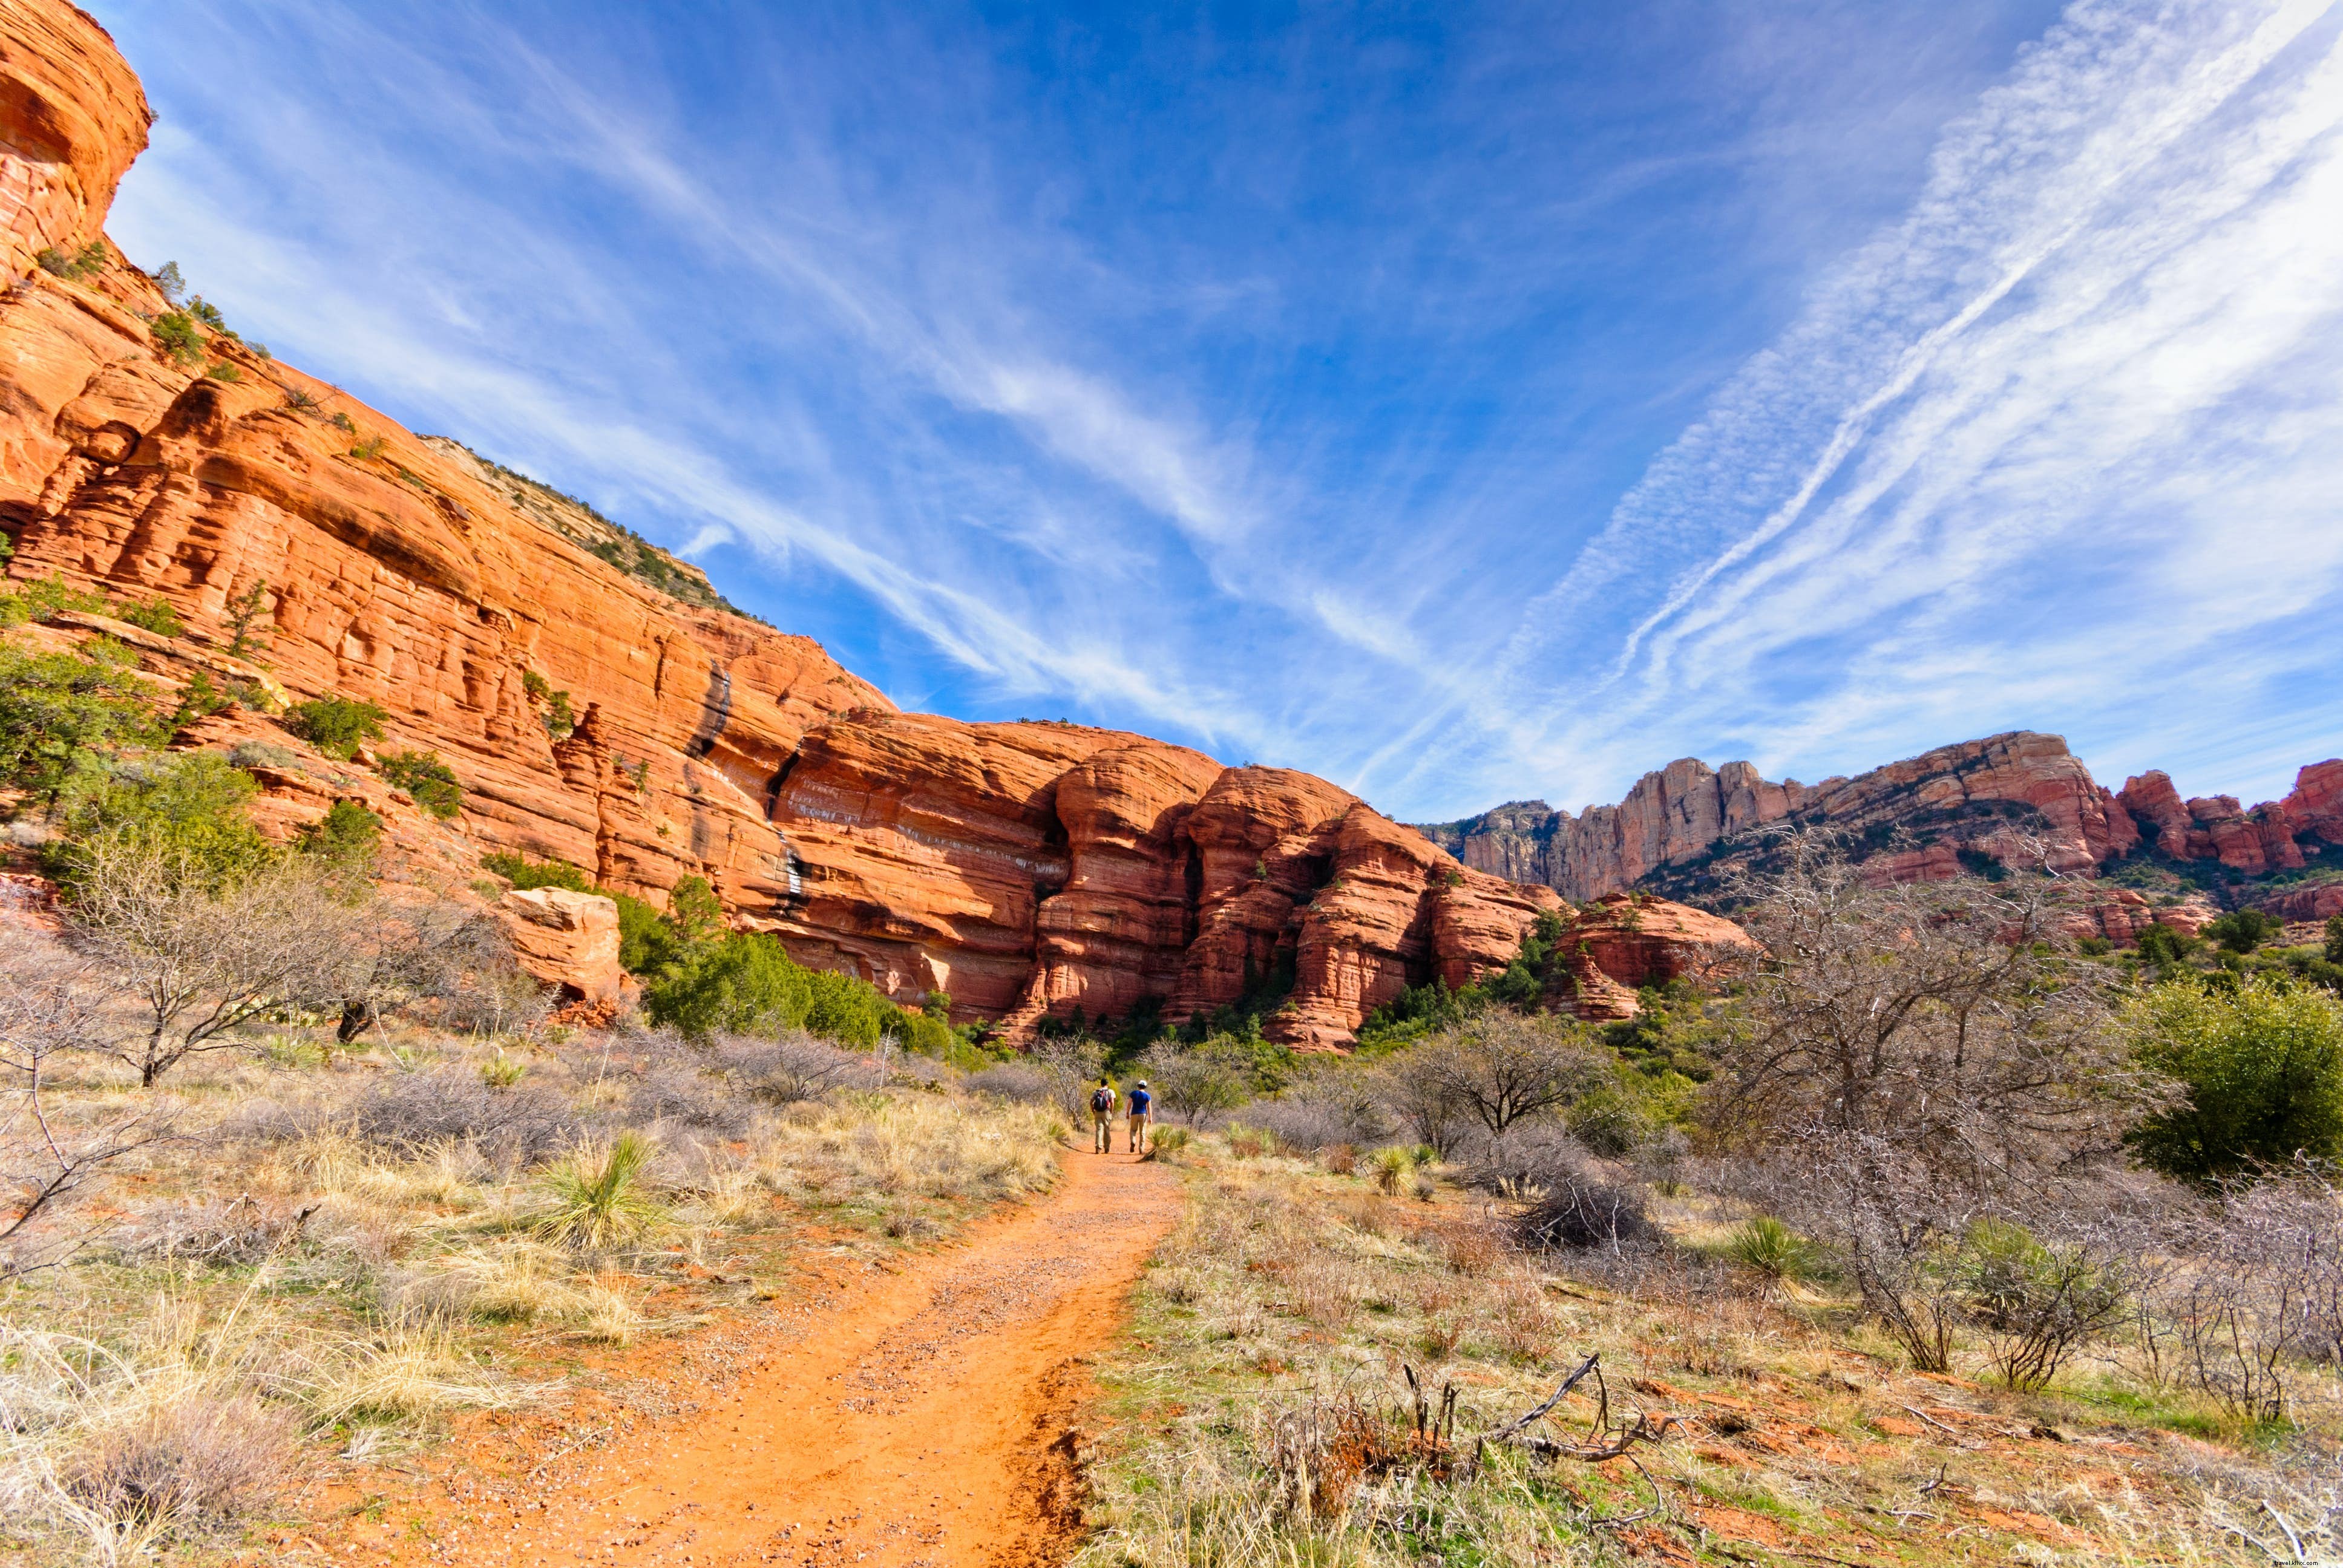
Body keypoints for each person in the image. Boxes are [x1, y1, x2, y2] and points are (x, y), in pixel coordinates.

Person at [1089, 1077, 1116, 1154]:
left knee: (1099, 1129)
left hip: (1097, 1112)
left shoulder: (1096, 1092)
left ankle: (1098, 1147)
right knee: (1107, 1129)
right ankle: (1107, 1147)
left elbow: (1091, 1102)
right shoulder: (1110, 1091)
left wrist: (1093, 1110)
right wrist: (1111, 1111)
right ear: (1107, 1084)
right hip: (1106, 1111)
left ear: (1101, 1084)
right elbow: (1112, 1102)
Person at [1127, 1079, 1152, 1155]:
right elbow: (1149, 1107)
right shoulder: (1147, 1096)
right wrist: (1150, 1117)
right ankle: (1141, 1148)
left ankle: (1133, 1141)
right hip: (1143, 1114)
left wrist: (1127, 1113)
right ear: (1145, 1087)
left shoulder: (1133, 1094)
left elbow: (1129, 1103)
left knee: (1133, 1130)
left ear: (1138, 1086)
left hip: (1134, 1113)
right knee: (1143, 1132)